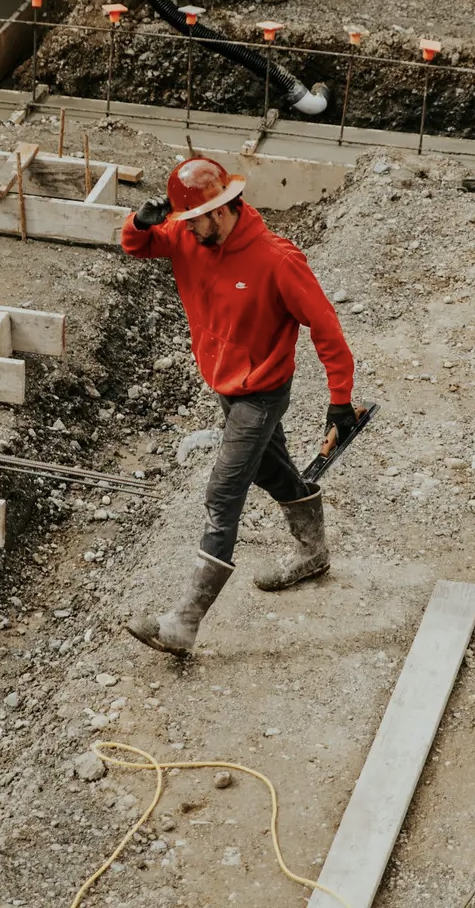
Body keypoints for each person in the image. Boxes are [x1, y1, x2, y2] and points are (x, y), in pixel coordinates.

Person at [119, 156, 360, 655]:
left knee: (223, 493)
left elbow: (326, 328)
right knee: (271, 471)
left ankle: (183, 625)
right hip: (223, 383)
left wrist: (340, 402)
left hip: (262, 392)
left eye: (193, 219)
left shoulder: (276, 259)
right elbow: (137, 246)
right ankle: (313, 553)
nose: (182, 229)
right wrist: (139, 222)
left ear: (221, 208)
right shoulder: (191, 237)